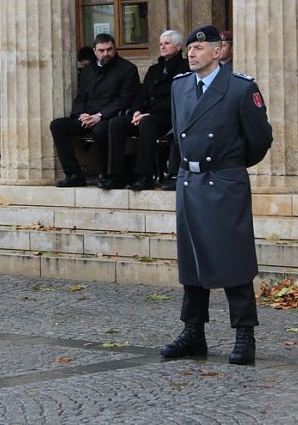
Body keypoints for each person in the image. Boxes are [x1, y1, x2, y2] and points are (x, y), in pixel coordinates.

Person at [161, 25, 273, 366]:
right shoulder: (180, 86)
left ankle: (244, 335)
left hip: (224, 181)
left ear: (218, 51)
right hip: (190, 182)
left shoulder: (240, 88)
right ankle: (193, 332)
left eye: (199, 47)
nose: (191, 53)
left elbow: (259, 140)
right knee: (192, 262)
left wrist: (229, 166)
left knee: (234, 260)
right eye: (190, 48)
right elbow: (180, 136)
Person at [49, 33, 139, 188]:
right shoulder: (87, 71)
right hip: (87, 117)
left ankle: (108, 175)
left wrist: (99, 115)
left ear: (114, 48)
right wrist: (80, 115)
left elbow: (124, 100)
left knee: (102, 130)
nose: (106, 54)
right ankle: (73, 174)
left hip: (108, 118)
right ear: (95, 51)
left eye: (109, 50)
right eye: (102, 50)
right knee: (57, 125)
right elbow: (81, 97)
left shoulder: (127, 69)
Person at [106, 30, 189, 190]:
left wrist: (148, 113)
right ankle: (116, 175)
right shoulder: (154, 70)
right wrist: (136, 111)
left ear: (178, 47)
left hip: (168, 117)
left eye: (167, 43)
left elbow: (177, 98)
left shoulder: (185, 68)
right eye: (160, 44)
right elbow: (141, 94)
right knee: (116, 123)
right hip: (145, 115)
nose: (162, 47)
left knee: (147, 123)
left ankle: (144, 176)